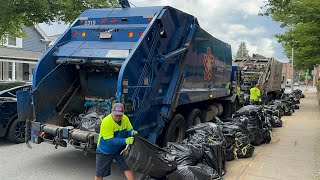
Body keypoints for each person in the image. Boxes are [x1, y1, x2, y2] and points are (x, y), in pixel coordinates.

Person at [95, 103, 138, 180]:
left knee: (127, 167)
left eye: (120, 115)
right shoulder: (106, 122)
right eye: (116, 115)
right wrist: (126, 140)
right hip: (105, 151)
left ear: (123, 113)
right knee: (99, 174)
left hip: (118, 149)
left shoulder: (125, 118)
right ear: (112, 112)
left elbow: (129, 129)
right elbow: (110, 140)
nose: (118, 117)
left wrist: (132, 132)